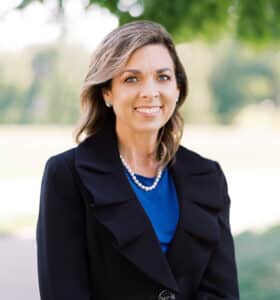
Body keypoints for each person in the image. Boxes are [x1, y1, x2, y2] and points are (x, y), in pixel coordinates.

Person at [37, 20, 240, 300]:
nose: (150, 92)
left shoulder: (208, 176)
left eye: (163, 77)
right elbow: (64, 291)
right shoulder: (67, 175)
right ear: (107, 92)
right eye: (131, 78)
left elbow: (222, 291)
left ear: (178, 89)